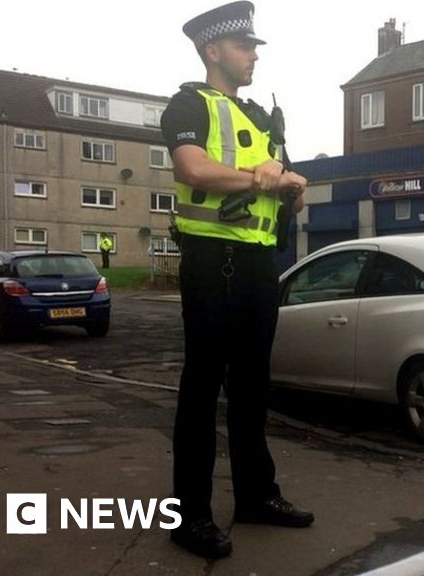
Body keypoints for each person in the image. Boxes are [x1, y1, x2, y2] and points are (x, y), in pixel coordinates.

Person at [159, 1, 310, 560]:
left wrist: (293, 187)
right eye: (245, 47)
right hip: (212, 263)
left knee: (252, 389)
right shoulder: (187, 104)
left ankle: (255, 496)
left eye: (254, 48)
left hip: (257, 266)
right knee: (201, 391)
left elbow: (280, 197)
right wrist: (264, 177)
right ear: (213, 50)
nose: (253, 57)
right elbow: (192, 169)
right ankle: (189, 517)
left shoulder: (261, 120)